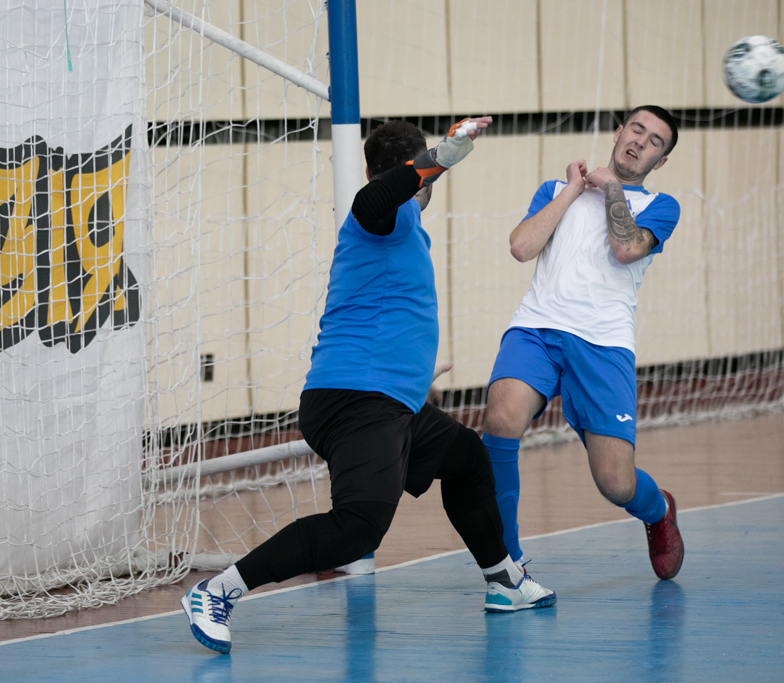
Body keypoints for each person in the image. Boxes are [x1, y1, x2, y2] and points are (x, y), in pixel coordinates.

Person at [182, 116, 555, 655]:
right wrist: (439, 157)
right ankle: (217, 592)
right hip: (355, 400)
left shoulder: (405, 227)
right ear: (411, 172)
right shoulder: (379, 216)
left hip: (389, 400)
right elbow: (374, 199)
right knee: (357, 530)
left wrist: (415, 378)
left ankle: (504, 581)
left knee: (466, 458)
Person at [482, 105, 684, 581]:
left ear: (660, 161)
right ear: (618, 133)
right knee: (501, 418)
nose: (640, 141)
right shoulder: (556, 190)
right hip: (537, 328)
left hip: (603, 344)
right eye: (636, 129)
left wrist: (611, 188)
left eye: (654, 141)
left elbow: (625, 248)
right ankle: (508, 563)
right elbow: (521, 247)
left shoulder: (661, 206)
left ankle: (658, 510)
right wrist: (574, 189)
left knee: (615, 483)